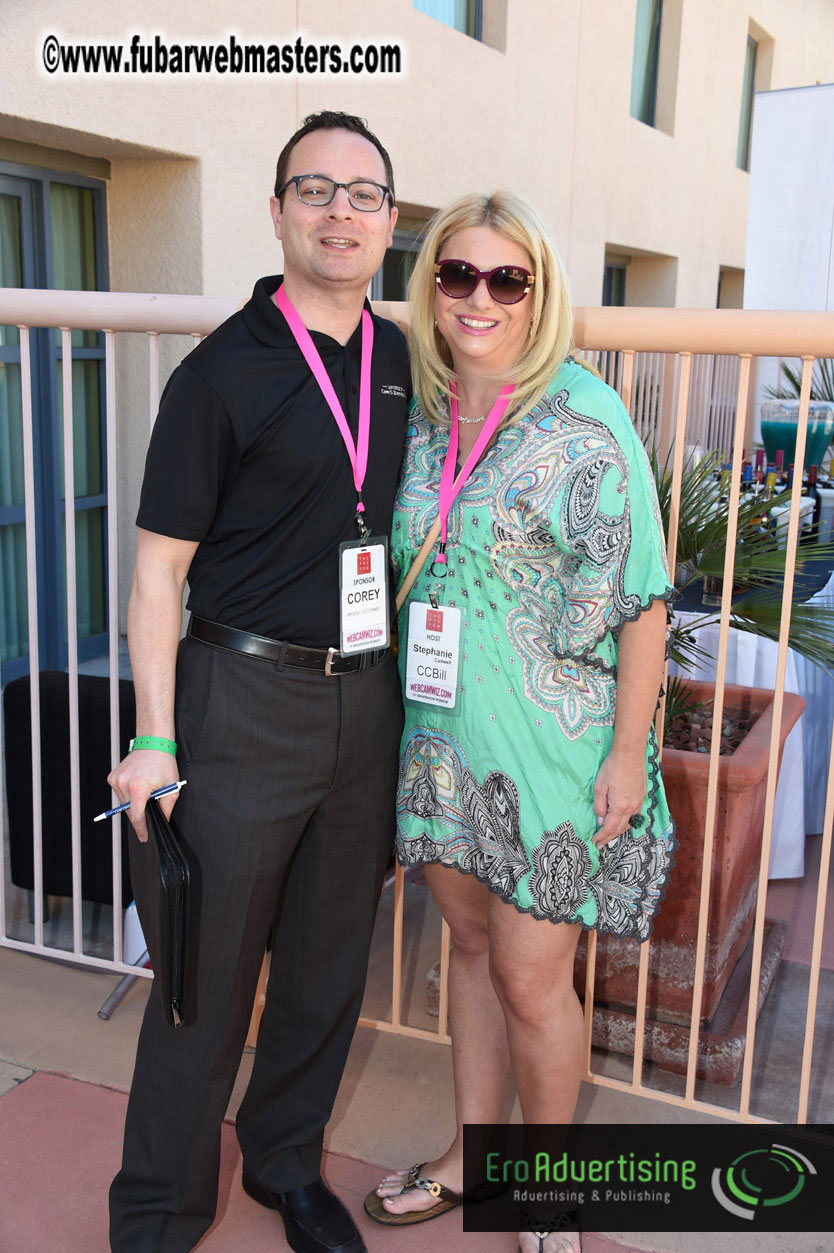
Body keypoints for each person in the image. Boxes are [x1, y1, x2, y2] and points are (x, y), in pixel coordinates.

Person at [107, 111, 408, 1253]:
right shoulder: (221, 372)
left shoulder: (403, 361)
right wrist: (154, 738)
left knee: (328, 968)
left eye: (364, 193)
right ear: (277, 209)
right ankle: (156, 1214)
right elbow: (157, 574)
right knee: (203, 979)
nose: (342, 210)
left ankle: (285, 1164)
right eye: (316, 190)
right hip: (240, 704)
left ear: (390, 220)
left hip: (370, 702)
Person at [364, 192, 676, 1253]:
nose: (480, 297)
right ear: (432, 285)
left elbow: (642, 599)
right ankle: (471, 1158)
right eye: (459, 275)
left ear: (539, 291)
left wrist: (628, 754)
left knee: (536, 976)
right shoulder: (419, 411)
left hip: (552, 752)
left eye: (508, 278)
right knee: (467, 949)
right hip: (442, 746)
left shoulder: (588, 415)